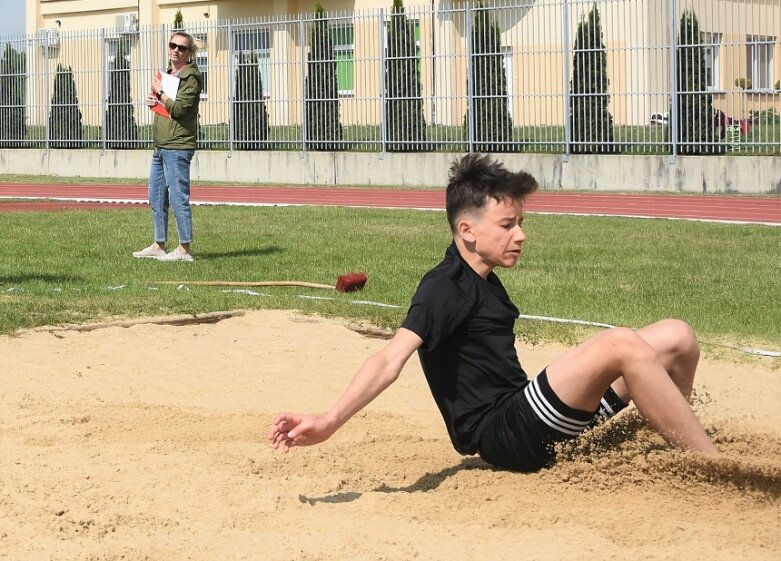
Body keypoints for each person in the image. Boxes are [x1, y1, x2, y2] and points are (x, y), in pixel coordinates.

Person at [268, 153, 718, 472]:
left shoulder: (484, 279)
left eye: (521, 223)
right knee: (620, 343)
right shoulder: (444, 286)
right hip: (504, 434)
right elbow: (389, 359)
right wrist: (329, 420)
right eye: (508, 225)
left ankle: (673, 432)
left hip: (534, 420)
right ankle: (710, 466)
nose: (520, 235)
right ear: (467, 229)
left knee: (677, 335)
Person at [133, 31, 203, 262]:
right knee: (156, 195)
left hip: (178, 146)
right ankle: (158, 244)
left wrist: (161, 94)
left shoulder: (191, 77)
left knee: (178, 197)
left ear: (189, 52)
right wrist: (153, 101)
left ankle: (184, 249)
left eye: (181, 47)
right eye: (173, 45)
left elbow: (180, 109)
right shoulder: (169, 74)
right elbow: (166, 106)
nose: (176, 50)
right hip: (161, 145)